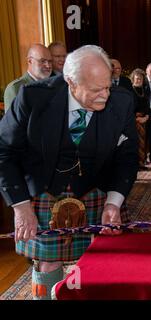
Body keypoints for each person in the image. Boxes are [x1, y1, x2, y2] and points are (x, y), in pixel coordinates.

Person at [0, 45, 138, 299]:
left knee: (101, 257)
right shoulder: (33, 98)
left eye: (108, 86)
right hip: (43, 187)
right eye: (96, 90)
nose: (106, 95)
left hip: (96, 186)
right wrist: (20, 206)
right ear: (71, 82)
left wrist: (114, 202)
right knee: (48, 262)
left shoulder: (122, 101)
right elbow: (4, 152)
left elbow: (127, 157)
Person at [4, 44, 52, 112]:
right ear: (30, 61)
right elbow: (11, 122)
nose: (48, 65)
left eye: (50, 61)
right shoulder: (15, 88)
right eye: (43, 61)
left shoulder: (53, 86)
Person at [130, 68, 149, 169]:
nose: (139, 80)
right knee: (135, 142)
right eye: (137, 79)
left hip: (143, 119)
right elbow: (128, 107)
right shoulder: (130, 91)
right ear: (133, 79)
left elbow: (147, 106)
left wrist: (146, 117)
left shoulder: (144, 90)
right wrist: (135, 118)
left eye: (140, 79)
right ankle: (135, 164)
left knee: (143, 142)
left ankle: (141, 162)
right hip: (133, 120)